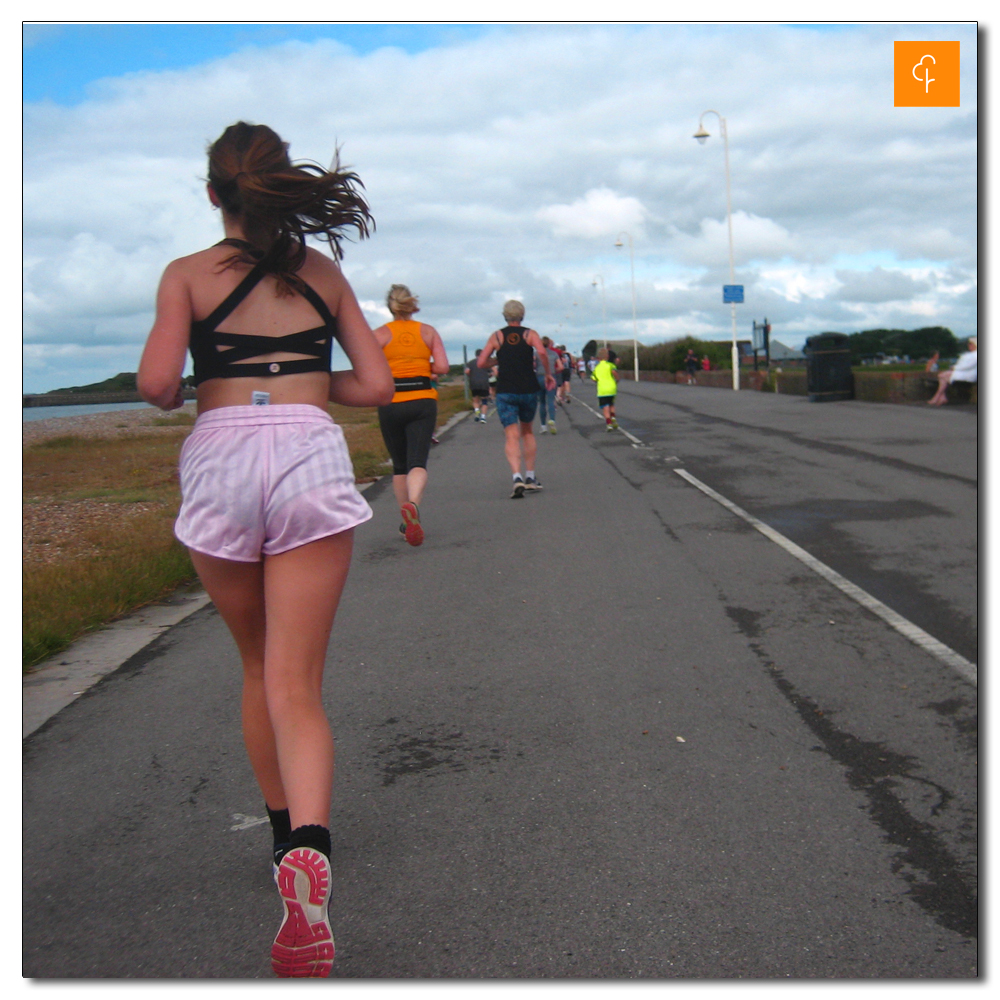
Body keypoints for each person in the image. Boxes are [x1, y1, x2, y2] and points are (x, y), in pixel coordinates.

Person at [137, 122, 394, 978]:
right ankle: (309, 854)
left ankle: (282, 833)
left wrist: (191, 382)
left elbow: (154, 387)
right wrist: (308, 387)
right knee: (299, 683)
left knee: (255, 666)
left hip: (219, 452)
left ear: (215, 195)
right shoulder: (323, 275)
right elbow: (376, 386)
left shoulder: (185, 275)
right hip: (309, 451)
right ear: (283, 189)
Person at [372, 285, 449, 545]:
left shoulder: (380, 334)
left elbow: (370, 367)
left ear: (389, 306)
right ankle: (413, 504)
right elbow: (442, 367)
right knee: (418, 461)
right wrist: (421, 366)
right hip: (423, 400)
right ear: (412, 306)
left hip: (391, 401)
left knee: (399, 465)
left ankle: (406, 521)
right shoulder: (427, 331)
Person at [477, 300, 554, 497]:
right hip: (528, 388)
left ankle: (516, 477)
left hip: (505, 390)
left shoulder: (497, 336)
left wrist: (498, 359)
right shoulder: (530, 334)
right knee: (527, 431)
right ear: (522, 315)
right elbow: (542, 351)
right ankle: (530, 477)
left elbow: (480, 362)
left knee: (511, 434)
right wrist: (547, 373)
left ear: (505, 316)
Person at [928, 337, 977, 406]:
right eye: (969, 344)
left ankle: (938, 397)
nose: (969, 346)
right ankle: (941, 397)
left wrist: (954, 367)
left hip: (969, 374)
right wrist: (955, 367)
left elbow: (968, 366)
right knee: (942, 377)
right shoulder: (968, 354)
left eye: (971, 344)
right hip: (962, 372)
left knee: (942, 376)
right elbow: (961, 364)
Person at [536, 335, 562, 434]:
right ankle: (552, 420)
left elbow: (533, 365)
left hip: (539, 377)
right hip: (551, 377)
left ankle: (543, 426)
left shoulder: (537, 353)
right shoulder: (554, 354)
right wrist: (553, 371)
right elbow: (561, 367)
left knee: (542, 402)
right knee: (551, 400)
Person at [591, 347, 620, 430]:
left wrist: (598, 380)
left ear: (598, 358)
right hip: (611, 388)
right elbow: (614, 372)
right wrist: (617, 379)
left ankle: (609, 423)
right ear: (607, 356)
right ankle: (613, 417)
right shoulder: (611, 365)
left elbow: (593, 378)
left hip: (602, 390)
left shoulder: (597, 368)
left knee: (605, 407)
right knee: (611, 404)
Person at [465, 349, 492, 423]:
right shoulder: (485, 362)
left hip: (474, 383)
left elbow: (467, 371)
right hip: (484, 383)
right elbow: (491, 373)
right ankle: (483, 417)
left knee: (475, 400)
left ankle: (477, 412)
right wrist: (487, 376)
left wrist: (471, 376)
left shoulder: (470, 363)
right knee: (484, 401)